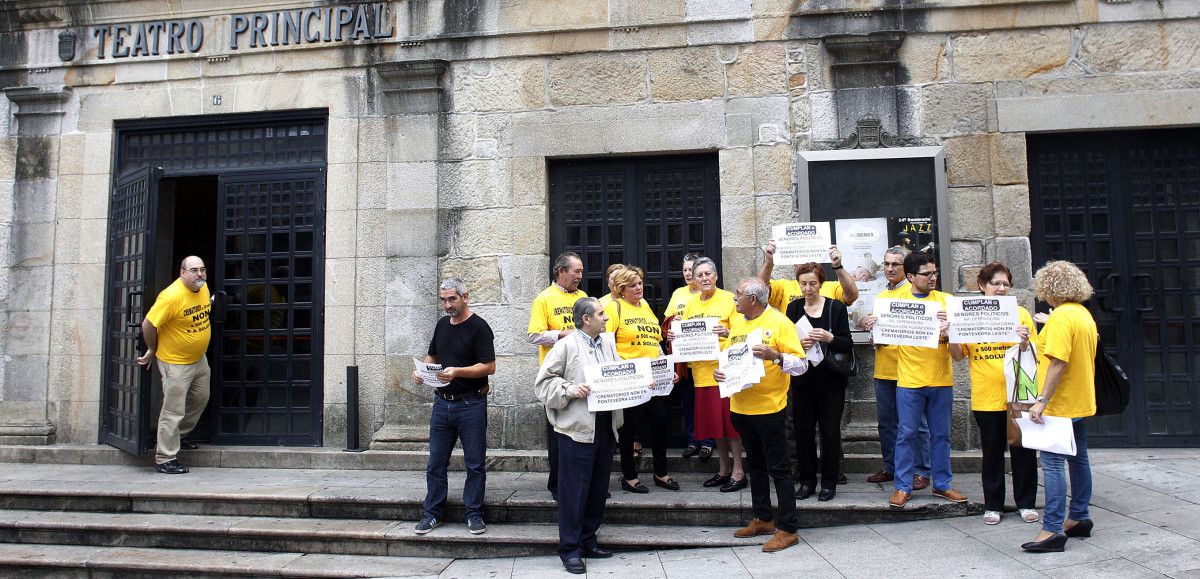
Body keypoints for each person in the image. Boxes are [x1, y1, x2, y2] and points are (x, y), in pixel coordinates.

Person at [714, 278, 809, 553]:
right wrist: (720, 374)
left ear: (753, 300)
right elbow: (730, 360)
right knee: (754, 464)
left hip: (769, 408)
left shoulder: (779, 323)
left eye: (739, 294)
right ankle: (763, 518)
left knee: (778, 467)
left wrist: (776, 355)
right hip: (740, 407)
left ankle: (788, 528)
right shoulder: (739, 322)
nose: (734, 297)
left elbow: (801, 365)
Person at [535, 297, 625, 574]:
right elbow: (543, 384)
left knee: (598, 489)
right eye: (601, 314)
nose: (606, 317)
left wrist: (646, 380)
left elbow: (622, 371)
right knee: (573, 492)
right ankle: (570, 549)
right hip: (575, 430)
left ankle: (588, 540)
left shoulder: (608, 343)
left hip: (604, 426)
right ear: (586, 319)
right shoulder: (565, 346)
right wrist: (570, 390)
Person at [949, 262, 1040, 526]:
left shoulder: (1021, 314)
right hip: (987, 395)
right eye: (995, 283)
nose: (1001, 288)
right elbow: (957, 356)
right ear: (982, 286)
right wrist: (952, 335)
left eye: (1005, 284)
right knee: (991, 452)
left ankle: (1026, 502)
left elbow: (1034, 354)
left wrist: (1025, 342)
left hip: (1019, 393)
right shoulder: (968, 315)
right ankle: (993, 504)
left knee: (1023, 451)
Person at [1021, 261, 1097, 553]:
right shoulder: (1082, 314)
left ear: (1048, 288)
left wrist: (1042, 401)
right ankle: (1079, 516)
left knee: (1052, 464)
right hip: (1079, 400)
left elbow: (1058, 362)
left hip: (1059, 403)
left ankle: (1052, 529)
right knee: (1079, 459)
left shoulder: (1061, 318)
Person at [411, 278, 496, 536]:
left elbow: (489, 366)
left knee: (475, 463)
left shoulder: (479, 327)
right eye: (443, 300)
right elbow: (432, 355)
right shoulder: (441, 326)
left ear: (465, 297)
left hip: (471, 403)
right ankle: (432, 513)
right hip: (441, 404)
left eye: (452, 299)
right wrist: (421, 371)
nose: (447, 305)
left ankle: (474, 513)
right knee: (436, 462)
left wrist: (457, 372)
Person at [884, 251, 968, 508]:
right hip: (909, 381)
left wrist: (951, 332)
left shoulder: (947, 301)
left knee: (941, 435)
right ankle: (902, 486)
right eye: (927, 274)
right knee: (906, 434)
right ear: (910, 276)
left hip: (941, 380)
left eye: (935, 272)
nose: (933, 277)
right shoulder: (895, 301)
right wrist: (874, 323)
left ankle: (942, 484)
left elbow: (958, 356)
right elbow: (882, 337)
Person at [671, 257, 745, 492]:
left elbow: (744, 331)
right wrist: (675, 336)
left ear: (715, 276)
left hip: (724, 371)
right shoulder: (691, 305)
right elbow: (686, 336)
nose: (703, 279)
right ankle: (723, 469)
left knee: (730, 426)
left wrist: (728, 330)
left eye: (707, 274)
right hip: (701, 372)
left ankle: (739, 471)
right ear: (692, 278)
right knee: (715, 426)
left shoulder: (728, 300)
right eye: (699, 275)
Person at [860, 246, 931, 489]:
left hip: (908, 369)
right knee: (887, 423)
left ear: (907, 269)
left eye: (895, 265)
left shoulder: (913, 294)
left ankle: (921, 471)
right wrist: (869, 324)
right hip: (884, 367)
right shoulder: (881, 294)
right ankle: (892, 467)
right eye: (886, 264)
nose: (889, 268)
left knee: (915, 424)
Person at [136, 256, 212, 475]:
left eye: (202, 269)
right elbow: (148, 324)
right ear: (182, 272)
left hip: (199, 359)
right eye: (194, 270)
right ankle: (165, 458)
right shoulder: (171, 297)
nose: (200, 274)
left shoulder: (203, 288)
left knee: (200, 399)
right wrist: (152, 348)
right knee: (173, 411)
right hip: (176, 363)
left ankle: (179, 436)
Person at [606, 266, 678, 493]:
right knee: (628, 429)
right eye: (633, 285)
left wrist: (667, 367)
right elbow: (608, 346)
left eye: (640, 283)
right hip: (630, 379)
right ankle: (629, 476)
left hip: (653, 379)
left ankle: (661, 472)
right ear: (621, 289)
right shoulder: (614, 307)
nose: (639, 288)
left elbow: (654, 341)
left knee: (660, 423)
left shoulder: (645, 306)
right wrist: (630, 374)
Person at [785, 263, 853, 502]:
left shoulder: (835, 308)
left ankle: (829, 482)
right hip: (803, 379)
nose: (807, 288)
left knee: (830, 432)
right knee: (803, 433)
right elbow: (787, 342)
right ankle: (807, 481)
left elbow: (847, 343)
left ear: (821, 283)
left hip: (831, 381)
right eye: (803, 283)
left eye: (812, 283)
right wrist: (798, 345)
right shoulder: (793, 308)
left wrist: (829, 337)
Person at [528, 251, 588, 500]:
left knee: (583, 430)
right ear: (561, 272)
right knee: (558, 432)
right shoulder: (544, 299)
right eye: (577, 271)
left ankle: (584, 482)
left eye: (582, 271)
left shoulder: (584, 297)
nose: (580, 276)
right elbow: (533, 335)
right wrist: (561, 335)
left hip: (582, 372)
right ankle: (558, 485)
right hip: (556, 376)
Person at [664, 252, 714, 460]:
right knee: (688, 400)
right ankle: (693, 440)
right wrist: (672, 322)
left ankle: (708, 441)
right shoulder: (678, 294)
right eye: (684, 270)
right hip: (685, 359)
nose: (687, 273)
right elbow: (667, 322)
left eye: (690, 270)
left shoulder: (708, 295)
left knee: (707, 401)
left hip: (707, 358)